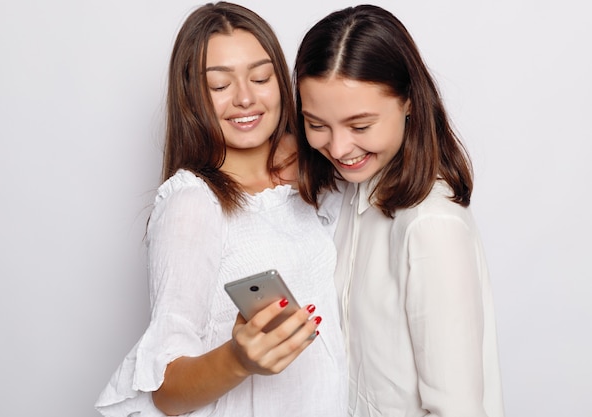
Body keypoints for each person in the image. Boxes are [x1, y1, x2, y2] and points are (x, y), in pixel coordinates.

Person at [95, 2, 347, 416]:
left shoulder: (315, 179)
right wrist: (238, 360)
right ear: (192, 98)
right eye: (219, 85)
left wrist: (304, 153)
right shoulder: (192, 203)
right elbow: (166, 391)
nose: (246, 98)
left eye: (261, 77)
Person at [294, 5, 505, 417]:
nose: (337, 148)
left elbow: (455, 409)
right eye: (316, 124)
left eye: (359, 126)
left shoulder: (431, 225)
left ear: (409, 102)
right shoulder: (351, 194)